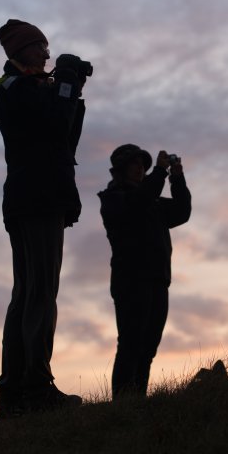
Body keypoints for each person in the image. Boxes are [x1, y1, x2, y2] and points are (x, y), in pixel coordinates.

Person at [0, 19, 89, 418]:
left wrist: (72, 88)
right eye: (40, 47)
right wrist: (65, 81)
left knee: (27, 293)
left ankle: (15, 394)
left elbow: (65, 140)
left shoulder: (23, 89)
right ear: (20, 51)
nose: (47, 54)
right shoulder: (20, 90)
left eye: (47, 48)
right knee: (40, 293)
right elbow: (56, 125)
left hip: (30, 199)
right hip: (38, 199)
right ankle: (36, 389)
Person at [98, 145, 192, 399]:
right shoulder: (114, 198)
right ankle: (123, 404)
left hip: (158, 279)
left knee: (148, 347)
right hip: (131, 281)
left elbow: (182, 212)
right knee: (131, 343)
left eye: (143, 164)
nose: (140, 168)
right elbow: (138, 203)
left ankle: (137, 402)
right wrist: (160, 172)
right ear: (121, 169)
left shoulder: (151, 200)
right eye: (134, 164)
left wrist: (177, 178)